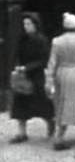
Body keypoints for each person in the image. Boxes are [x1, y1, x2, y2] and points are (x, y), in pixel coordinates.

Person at [46, 12, 75, 150]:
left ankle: (59, 134)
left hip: (61, 73)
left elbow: (52, 63)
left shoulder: (56, 41)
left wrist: (49, 80)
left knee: (61, 104)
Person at [9, 12, 55, 143]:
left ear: (35, 25)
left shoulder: (41, 40)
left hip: (37, 76)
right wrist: (16, 67)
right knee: (20, 104)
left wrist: (27, 67)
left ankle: (50, 122)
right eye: (24, 24)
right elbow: (16, 54)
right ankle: (22, 132)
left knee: (42, 103)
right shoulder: (22, 39)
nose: (26, 26)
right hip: (23, 77)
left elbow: (43, 60)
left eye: (28, 24)